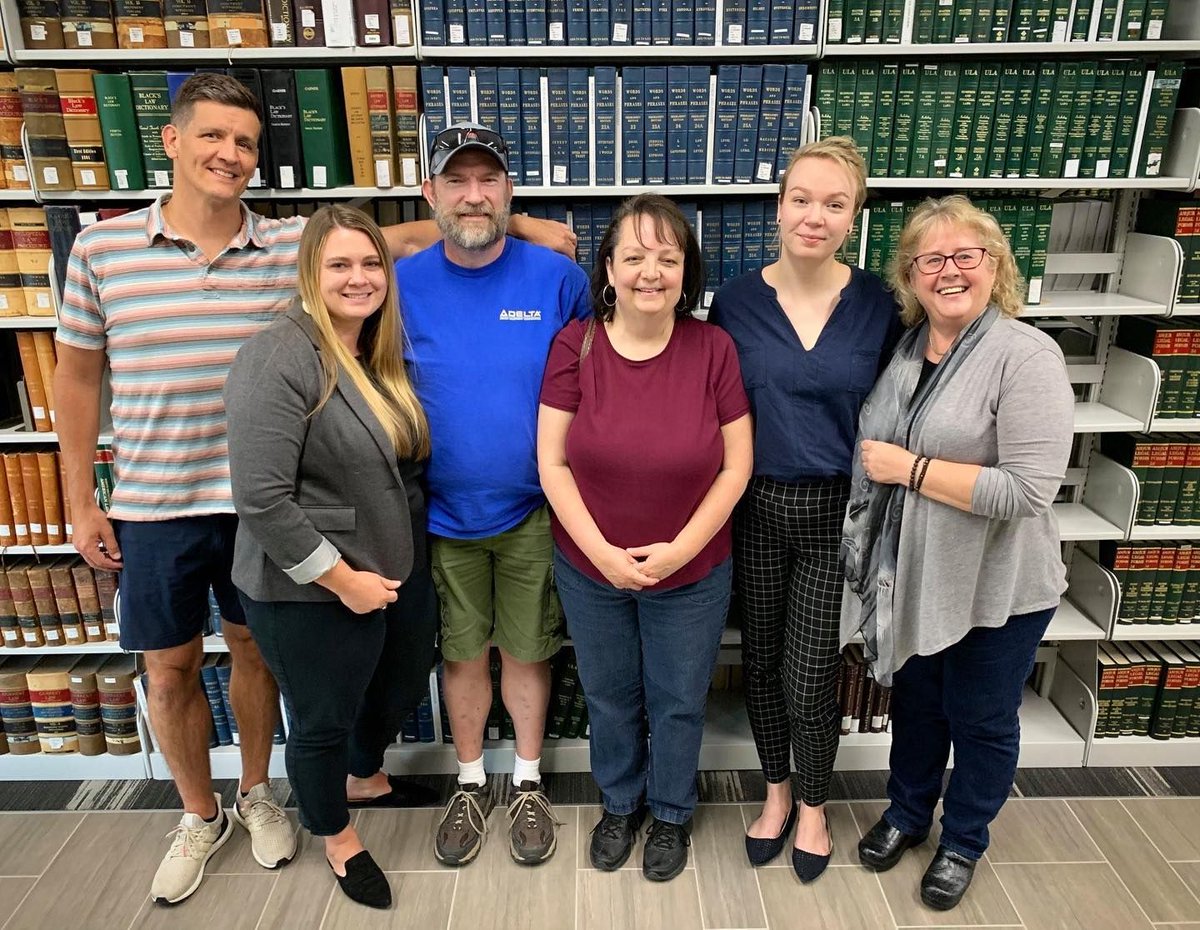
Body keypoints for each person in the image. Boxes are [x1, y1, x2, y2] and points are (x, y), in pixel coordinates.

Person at [53, 75, 575, 906]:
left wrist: (524, 225)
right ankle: (205, 815)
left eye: (244, 141)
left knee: (268, 664)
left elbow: (404, 232)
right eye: (212, 136)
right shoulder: (107, 252)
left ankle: (270, 795)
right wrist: (81, 498)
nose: (229, 153)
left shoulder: (290, 248)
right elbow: (78, 377)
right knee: (175, 669)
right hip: (165, 499)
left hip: (293, 517)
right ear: (172, 141)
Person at [842, 194, 1073, 911]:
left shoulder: (1025, 355)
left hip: (996, 587)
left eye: (965, 256)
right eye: (931, 259)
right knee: (918, 709)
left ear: (994, 266)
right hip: (916, 575)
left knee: (980, 719)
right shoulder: (908, 350)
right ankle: (909, 813)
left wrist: (908, 470)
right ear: (910, 276)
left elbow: (1028, 490)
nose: (949, 271)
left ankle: (964, 839)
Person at [538, 193, 753, 882]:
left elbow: (737, 465)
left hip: (692, 572)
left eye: (667, 257)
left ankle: (670, 812)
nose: (650, 272)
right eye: (633, 257)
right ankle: (620, 804)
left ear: (687, 271)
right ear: (608, 269)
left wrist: (681, 550)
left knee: (679, 700)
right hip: (589, 568)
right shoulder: (575, 345)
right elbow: (552, 462)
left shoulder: (713, 348)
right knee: (608, 695)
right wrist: (601, 554)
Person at [224, 205, 432, 910]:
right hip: (309, 586)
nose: (359, 278)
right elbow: (261, 500)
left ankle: (365, 778)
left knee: (400, 682)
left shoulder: (377, 351)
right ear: (309, 272)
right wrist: (342, 582)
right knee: (321, 719)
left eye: (372, 263)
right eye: (339, 264)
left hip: (395, 564)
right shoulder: (275, 356)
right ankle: (337, 836)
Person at [396, 122, 591, 868]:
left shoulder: (558, 279)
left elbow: (592, 387)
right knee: (462, 652)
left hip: (534, 509)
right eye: (457, 181)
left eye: (488, 181)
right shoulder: (399, 285)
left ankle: (529, 782)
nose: (473, 196)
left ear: (510, 191)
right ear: (430, 193)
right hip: (440, 515)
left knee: (529, 649)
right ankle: (472, 781)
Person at [707, 137, 902, 882]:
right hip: (754, 504)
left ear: (855, 217)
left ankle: (815, 805)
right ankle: (776, 792)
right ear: (779, 206)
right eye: (801, 199)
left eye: (834, 204)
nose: (814, 216)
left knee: (810, 670)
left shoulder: (880, 305)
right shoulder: (735, 302)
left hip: (837, 513)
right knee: (759, 661)